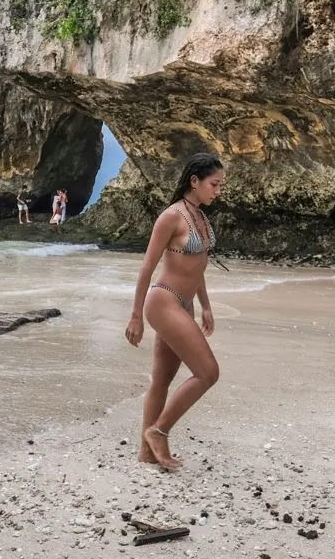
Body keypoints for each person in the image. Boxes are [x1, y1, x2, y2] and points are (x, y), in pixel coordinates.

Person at [124, 152, 224, 471]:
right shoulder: (172, 216)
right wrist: (136, 315)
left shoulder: (201, 217)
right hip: (163, 300)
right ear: (194, 182)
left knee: (162, 380)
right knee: (208, 372)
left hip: (185, 303)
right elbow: (146, 267)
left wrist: (206, 305)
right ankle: (158, 431)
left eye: (220, 185)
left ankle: (146, 452)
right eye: (214, 184)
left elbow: (198, 267)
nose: (217, 191)